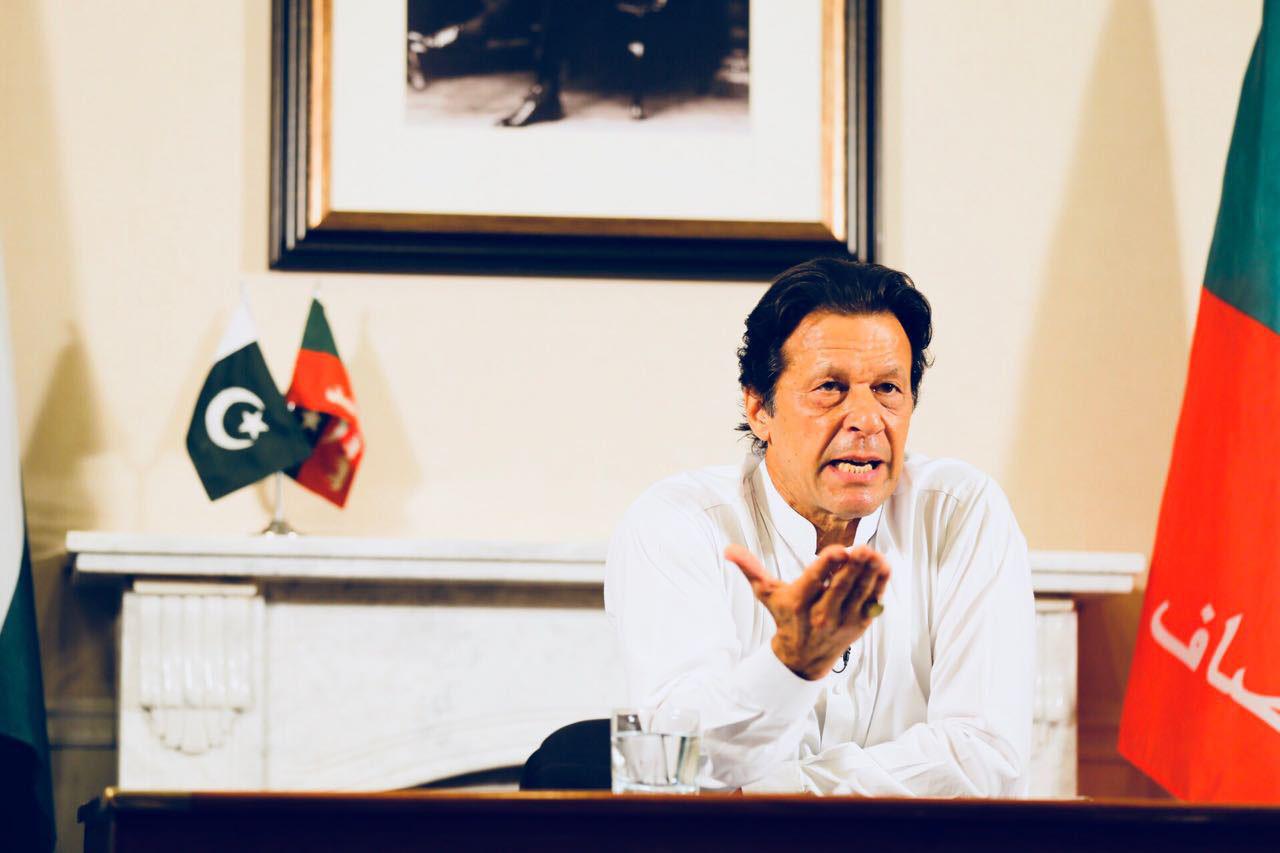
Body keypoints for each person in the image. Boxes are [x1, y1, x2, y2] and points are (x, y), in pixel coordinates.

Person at [603, 258, 1035, 795]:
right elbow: (677, 762)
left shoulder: (960, 511)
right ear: (759, 408)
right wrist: (792, 661)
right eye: (831, 387)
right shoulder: (678, 525)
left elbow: (987, 758)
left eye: (887, 389)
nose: (866, 419)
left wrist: (785, 790)